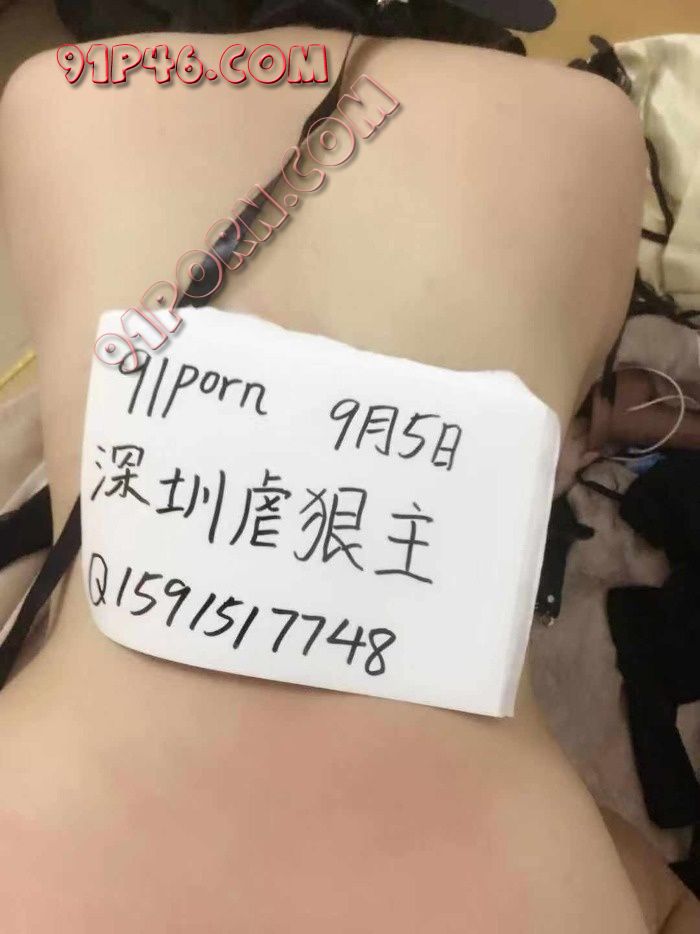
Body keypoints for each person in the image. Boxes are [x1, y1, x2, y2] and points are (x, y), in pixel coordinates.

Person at [0, 1, 697, 930]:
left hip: (39, 836)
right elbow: (570, 389)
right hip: (505, 872)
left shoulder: (56, 88)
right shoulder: (594, 119)